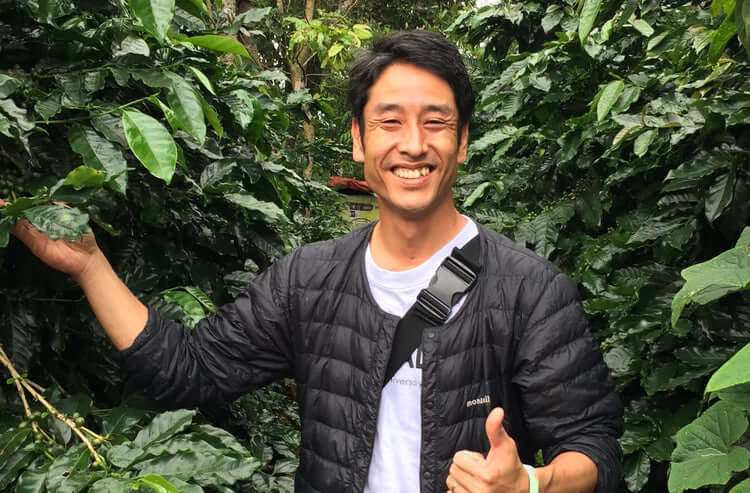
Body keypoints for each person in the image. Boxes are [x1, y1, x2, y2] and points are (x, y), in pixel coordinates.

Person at [4, 30, 622, 493]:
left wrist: (533, 483)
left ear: (461, 142)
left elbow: (593, 447)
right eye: (390, 122)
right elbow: (188, 371)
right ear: (358, 139)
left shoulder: (529, 290)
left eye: (436, 123)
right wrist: (90, 265)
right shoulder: (308, 280)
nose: (413, 144)